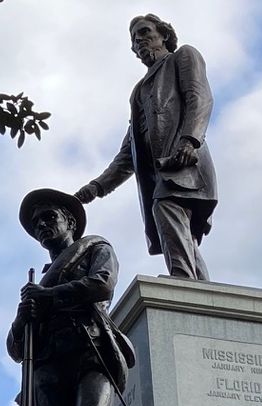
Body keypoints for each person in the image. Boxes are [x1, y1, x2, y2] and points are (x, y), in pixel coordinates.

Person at [7, 188, 137, 406]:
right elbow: (16, 348)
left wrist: (49, 297)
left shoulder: (95, 249)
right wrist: (23, 317)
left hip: (90, 355)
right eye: (36, 223)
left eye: (49, 217)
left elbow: (102, 285)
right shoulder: (37, 288)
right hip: (49, 370)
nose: (42, 226)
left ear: (70, 221)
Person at [75, 13, 218, 280]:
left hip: (185, 161)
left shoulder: (182, 57)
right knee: (181, 232)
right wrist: (96, 187)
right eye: (134, 38)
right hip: (160, 173)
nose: (138, 41)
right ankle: (202, 289)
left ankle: (183, 280)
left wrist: (190, 140)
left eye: (144, 32)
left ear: (163, 34)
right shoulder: (139, 91)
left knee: (165, 207)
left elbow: (199, 98)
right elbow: (130, 151)